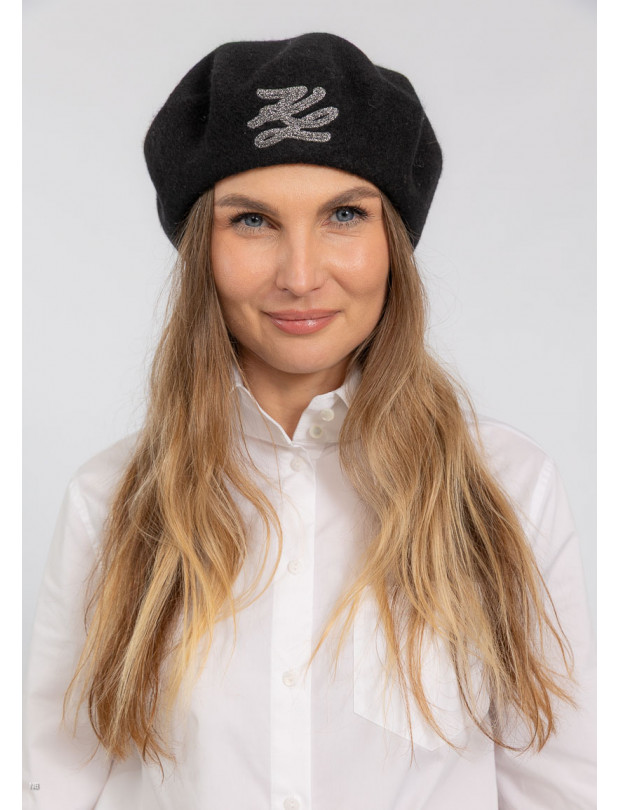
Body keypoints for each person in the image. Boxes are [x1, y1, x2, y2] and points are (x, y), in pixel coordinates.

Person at [23, 32, 595, 809]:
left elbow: (558, 784)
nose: (300, 275)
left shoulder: (506, 489)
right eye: (253, 221)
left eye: (344, 214)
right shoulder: (112, 501)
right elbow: (57, 783)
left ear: (392, 244)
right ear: (201, 252)